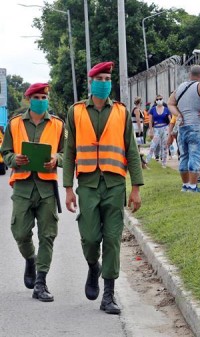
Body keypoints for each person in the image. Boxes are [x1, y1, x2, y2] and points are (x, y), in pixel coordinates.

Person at [63, 61, 144, 315]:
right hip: (87, 184)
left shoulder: (121, 112)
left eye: (109, 79)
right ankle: (92, 266)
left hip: (114, 184)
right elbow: (69, 151)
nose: (105, 83)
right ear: (91, 83)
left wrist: (136, 187)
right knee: (89, 238)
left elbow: (131, 150)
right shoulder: (75, 112)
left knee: (112, 240)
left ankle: (108, 295)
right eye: (101, 79)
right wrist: (67, 188)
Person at [1, 83, 64, 302]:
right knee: (19, 232)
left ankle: (41, 283)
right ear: (29, 99)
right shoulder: (15, 123)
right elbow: (5, 151)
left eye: (44, 96)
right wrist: (13, 159)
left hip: (47, 188)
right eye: (37, 96)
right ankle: (30, 259)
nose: (41, 100)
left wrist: (57, 159)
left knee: (47, 236)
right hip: (22, 185)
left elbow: (66, 153)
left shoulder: (57, 124)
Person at [167, 65, 200, 192]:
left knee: (184, 156)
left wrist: (178, 114)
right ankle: (193, 186)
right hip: (197, 126)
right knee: (195, 155)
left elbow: (170, 103)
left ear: (190, 74)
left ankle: (185, 185)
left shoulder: (180, 87)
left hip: (182, 127)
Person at [148, 95, 171, 168]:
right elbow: (150, 121)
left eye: (160, 99)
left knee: (164, 146)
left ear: (163, 99)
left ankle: (163, 163)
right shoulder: (153, 109)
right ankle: (147, 161)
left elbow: (170, 121)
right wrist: (151, 131)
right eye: (157, 99)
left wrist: (170, 131)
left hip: (165, 128)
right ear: (155, 101)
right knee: (153, 145)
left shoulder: (166, 109)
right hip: (156, 129)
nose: (159, 100)